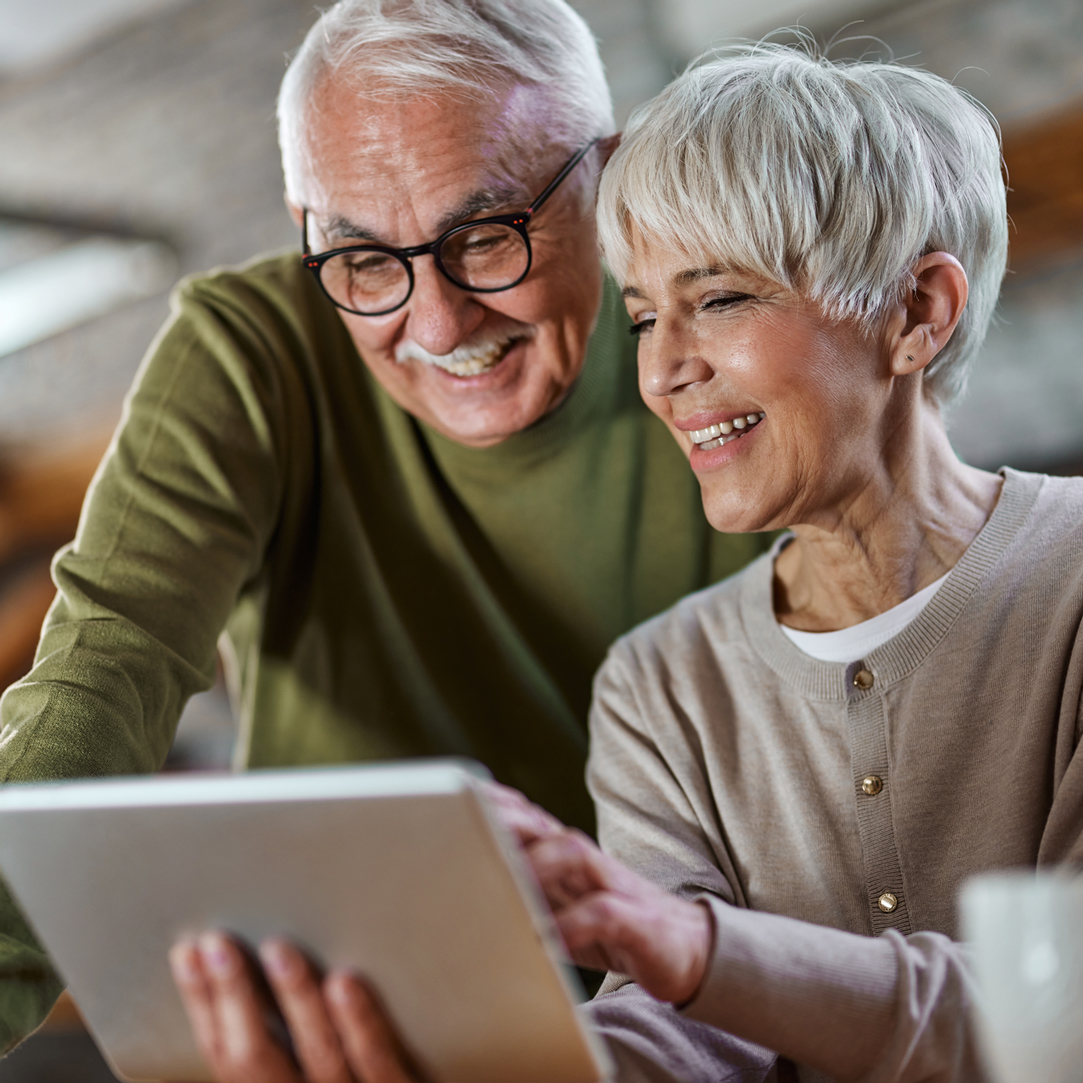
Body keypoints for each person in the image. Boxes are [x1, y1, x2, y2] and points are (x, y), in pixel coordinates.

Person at [167, 39, 1083, 1083]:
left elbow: (1057, 1012)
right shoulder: (663, 681)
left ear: (918, 311)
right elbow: (682, 1034)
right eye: (645, 314)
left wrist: (692, 947)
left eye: (723, 300)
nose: (662, 369)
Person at [0, 0, 771, 1053]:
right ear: (306, 228)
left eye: (487, 235)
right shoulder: (252, 350)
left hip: (697, 1013)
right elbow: (106, 662)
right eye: (363, 261)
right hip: (333, 1018)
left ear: (607, 172)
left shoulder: (727, 351)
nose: (440, 322)